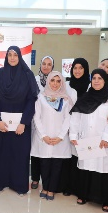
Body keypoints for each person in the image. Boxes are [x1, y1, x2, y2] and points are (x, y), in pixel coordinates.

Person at [0, 46, 38, 196]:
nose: (12, 58)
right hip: (1, 124)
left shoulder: (27, 75)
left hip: (20, 126)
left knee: (19, 155)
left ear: (19, 57)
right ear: (6, 57)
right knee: (0, 153)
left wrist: (24, 122)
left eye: (15, 55)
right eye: (9, 55)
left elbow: (31, 100)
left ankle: (19, 185)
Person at [70, 69, 108, 211]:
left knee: (104, 170)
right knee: (86, 168)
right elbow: (76, 117)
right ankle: (84, 195)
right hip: (87, 139)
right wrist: (73, 135)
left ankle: (106, 201)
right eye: (94, 78)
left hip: (104, 142)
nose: (96, 81)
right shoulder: (86, 97)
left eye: (100, 78)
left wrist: (107, 138)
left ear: (105, 81)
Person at [31, 71, 73, 200]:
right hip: (44, 138)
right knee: (44, 164)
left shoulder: (66, 100)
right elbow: (36, 117)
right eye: (52, 80)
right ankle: (45, 187)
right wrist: (43, 135)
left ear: (62, 83)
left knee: (56, 165)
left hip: (59, 139)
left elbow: (68, 119)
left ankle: (52, 189)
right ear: (48, 81)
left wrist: (60, 136)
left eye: (58, 81)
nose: (55, 84)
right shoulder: (41, 97)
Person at [60, 58, 91, 197]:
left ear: (86, 70)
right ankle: (68, 186)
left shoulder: (91, 86)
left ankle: (82, 189)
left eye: (81, 68)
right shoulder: (66, 85)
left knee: (84, 157)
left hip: (86, 125)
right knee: (69, 157)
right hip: (68, 125)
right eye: (75, 68)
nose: (77, 71)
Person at [30, 55, 54, 189]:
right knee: (35, 150)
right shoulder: (34, 80)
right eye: (44, 64)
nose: (46, 66)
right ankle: (35, 178)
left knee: (47, 152)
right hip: (35, 119)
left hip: (50, 122)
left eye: (49, 64)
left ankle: (46, 179)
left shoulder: (55, 81)